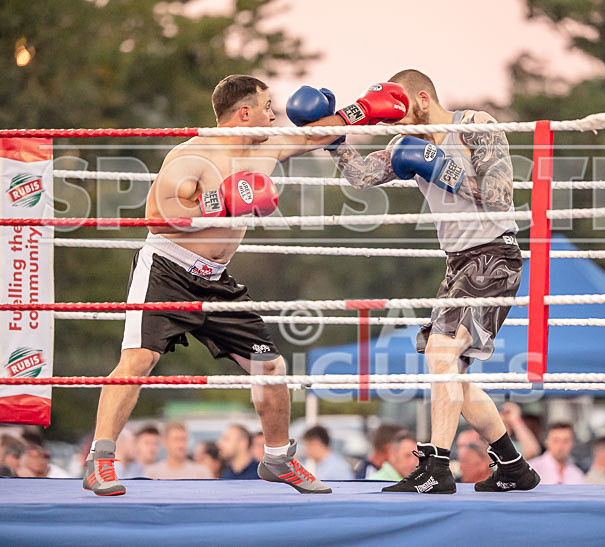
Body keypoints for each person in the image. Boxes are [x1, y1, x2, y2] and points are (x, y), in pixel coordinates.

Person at [81, 74, 403, 496]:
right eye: (268, 107)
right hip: (167, 270)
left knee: (270, 367)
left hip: (216, 280)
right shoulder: (192, 155)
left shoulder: (267, 147)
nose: (274, 115)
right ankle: (100, 461)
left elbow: (314, 136)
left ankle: (277, 459)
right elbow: (158, 217)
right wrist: (222, 202)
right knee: (139, 360)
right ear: (244, 112)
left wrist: (363, 110)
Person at [289, 69, 539, 494]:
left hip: (493, 255)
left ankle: (437, 467)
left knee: (441, 353)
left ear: (422, 99)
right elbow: (361, 176)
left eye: (400, 115)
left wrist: (442, 169)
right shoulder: (407, 143)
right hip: (457, 264)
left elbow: (500, 196)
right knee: (453, 377)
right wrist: (335, 139)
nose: (396, 126)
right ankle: (515, 468)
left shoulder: (474, 125)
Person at [143, 422, 212, 480]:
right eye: (176, 439)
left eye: (184, 439)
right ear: (165, 442)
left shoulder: (201, 473)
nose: (181, 445)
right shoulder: (152, 474)